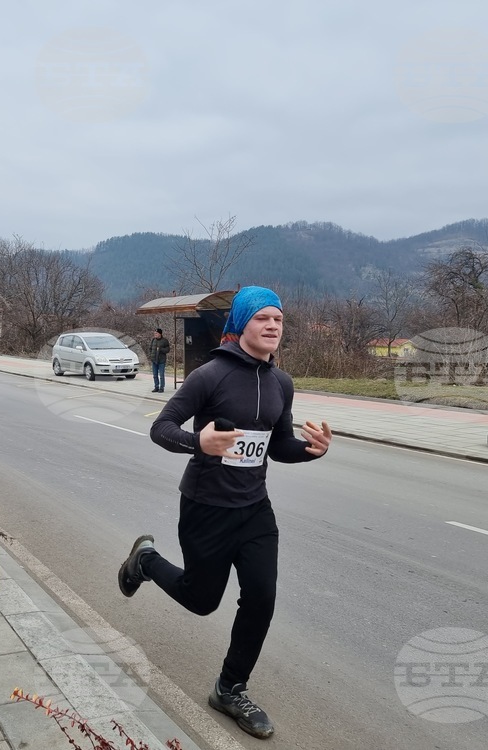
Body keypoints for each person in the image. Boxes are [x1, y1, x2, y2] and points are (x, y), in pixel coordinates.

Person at [118, 286, 332, 740]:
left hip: (255, 511)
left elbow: (278, 445)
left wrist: (311, 450)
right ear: (240, 324)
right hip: (206, 508)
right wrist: (199, 442)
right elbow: (162, 428)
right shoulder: (209, 376)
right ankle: (146, 561)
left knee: (261, 597)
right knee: (202, 601)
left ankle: (230, 688)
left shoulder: (281, 382)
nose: (272, 326)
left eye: (278, 319)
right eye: (262, 318)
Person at [147, 327, 171, 393]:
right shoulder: (153, 340)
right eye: (154, 333)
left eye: (156, 333)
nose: (155, 334)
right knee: (155, 375)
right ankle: (156, 387)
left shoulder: (165, 341)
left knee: (161, 375)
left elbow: (168, 350)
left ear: (160, 334)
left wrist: (161, 349)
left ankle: (161, 387)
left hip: (161, 361)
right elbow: (150, 348)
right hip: (154, 360)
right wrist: (151, 355)